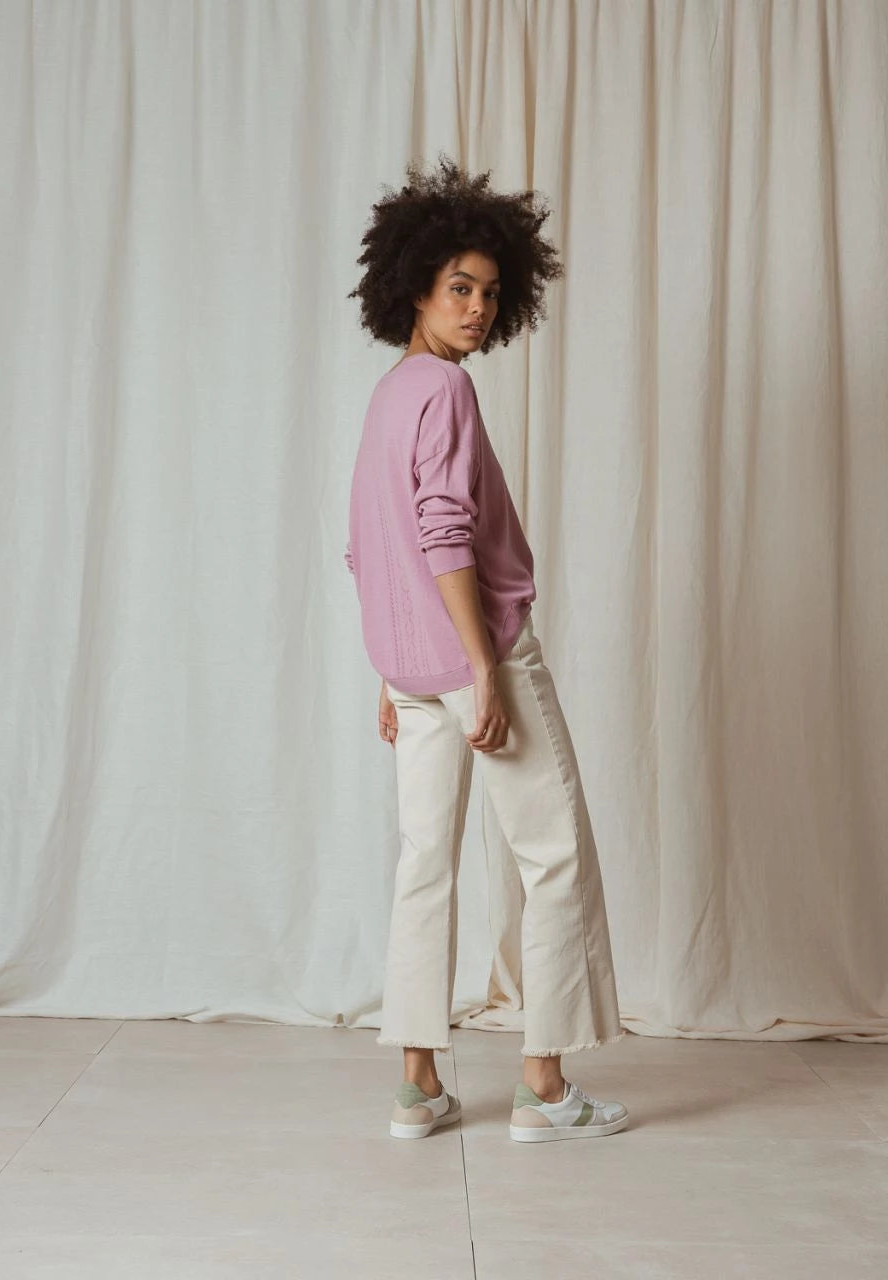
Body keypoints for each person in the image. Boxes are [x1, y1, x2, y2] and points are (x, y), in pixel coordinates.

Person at [344, 155, 629, 1143]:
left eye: (492, 293)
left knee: (425, 861)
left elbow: (369, 548)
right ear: (415, 286)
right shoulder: (447, 393)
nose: (477, 308)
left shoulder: (391, 393)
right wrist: (479, 667)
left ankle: (418, 1086)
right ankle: (544, 1087)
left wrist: (392, 673)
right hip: (479, 658)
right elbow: (440, 534)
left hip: (411, 669)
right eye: (460, 287)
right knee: (553, 856)